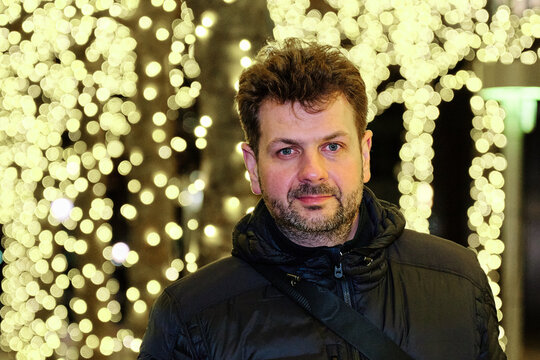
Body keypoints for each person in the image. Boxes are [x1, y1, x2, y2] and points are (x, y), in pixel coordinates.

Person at [138, 38, 506, 360]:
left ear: (364, 155)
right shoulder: (191, 315)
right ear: (253, 166)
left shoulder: (458, 281)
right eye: (286, 151)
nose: (312, 172)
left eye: (332, 146)